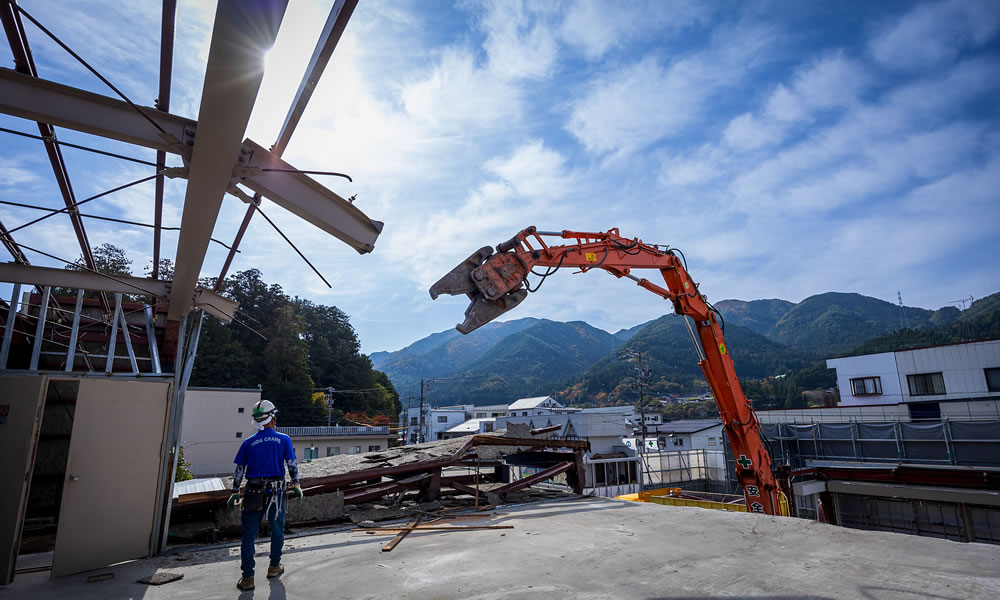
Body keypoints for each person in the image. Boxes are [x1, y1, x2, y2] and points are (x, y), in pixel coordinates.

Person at [227, 399, 303, 591]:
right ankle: (274, 566)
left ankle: (247, 578)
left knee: (248, 536)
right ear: (272, 418)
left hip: (253, 491)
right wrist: (296, 484)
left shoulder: (248, 443)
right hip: (276, 492)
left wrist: (235, 491)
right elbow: (291, 465)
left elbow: (239, 470)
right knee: (277, 531)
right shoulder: (283, 439)